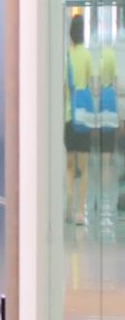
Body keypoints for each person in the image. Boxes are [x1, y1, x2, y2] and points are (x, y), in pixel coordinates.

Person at [69, 14, 94, 226]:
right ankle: (79, 212)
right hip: (84, 114)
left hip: (69, 114)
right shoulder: (86, 55)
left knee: (69, 166)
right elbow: (88, 83)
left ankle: (68, 208)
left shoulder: (68, 54)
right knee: (84, 168)